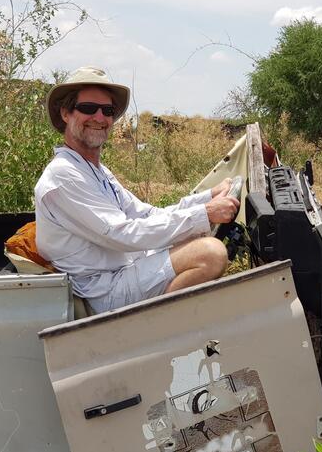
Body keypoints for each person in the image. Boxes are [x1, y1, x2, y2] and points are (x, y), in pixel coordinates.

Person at [34, 66, 240, 313]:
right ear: (66, 113)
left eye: (108, 110)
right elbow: (122, 233)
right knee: (211, 253)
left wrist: (206, 200)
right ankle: (155, 335)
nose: (99, 118)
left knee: (195, 236)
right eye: (88, 108)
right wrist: (205, 214)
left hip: (123, 270)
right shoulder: (64, 175)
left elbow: (145, 215)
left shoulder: (95, 171)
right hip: (104, 291)